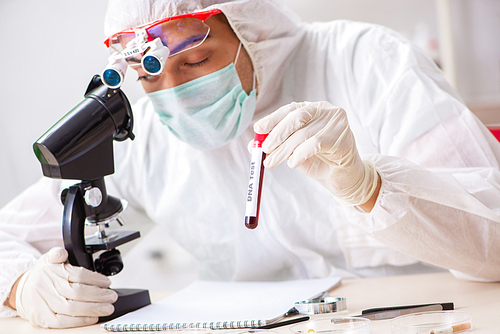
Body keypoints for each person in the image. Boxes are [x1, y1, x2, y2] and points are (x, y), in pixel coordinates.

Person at [2, 0, 500, 329]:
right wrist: (23, 285)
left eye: (194, 62)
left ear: (250, 31)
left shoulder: (370, 63)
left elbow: (493, 242)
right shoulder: (148, 138)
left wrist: (368, 187)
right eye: (149, 74)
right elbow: (9, 235)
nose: (174, 91)